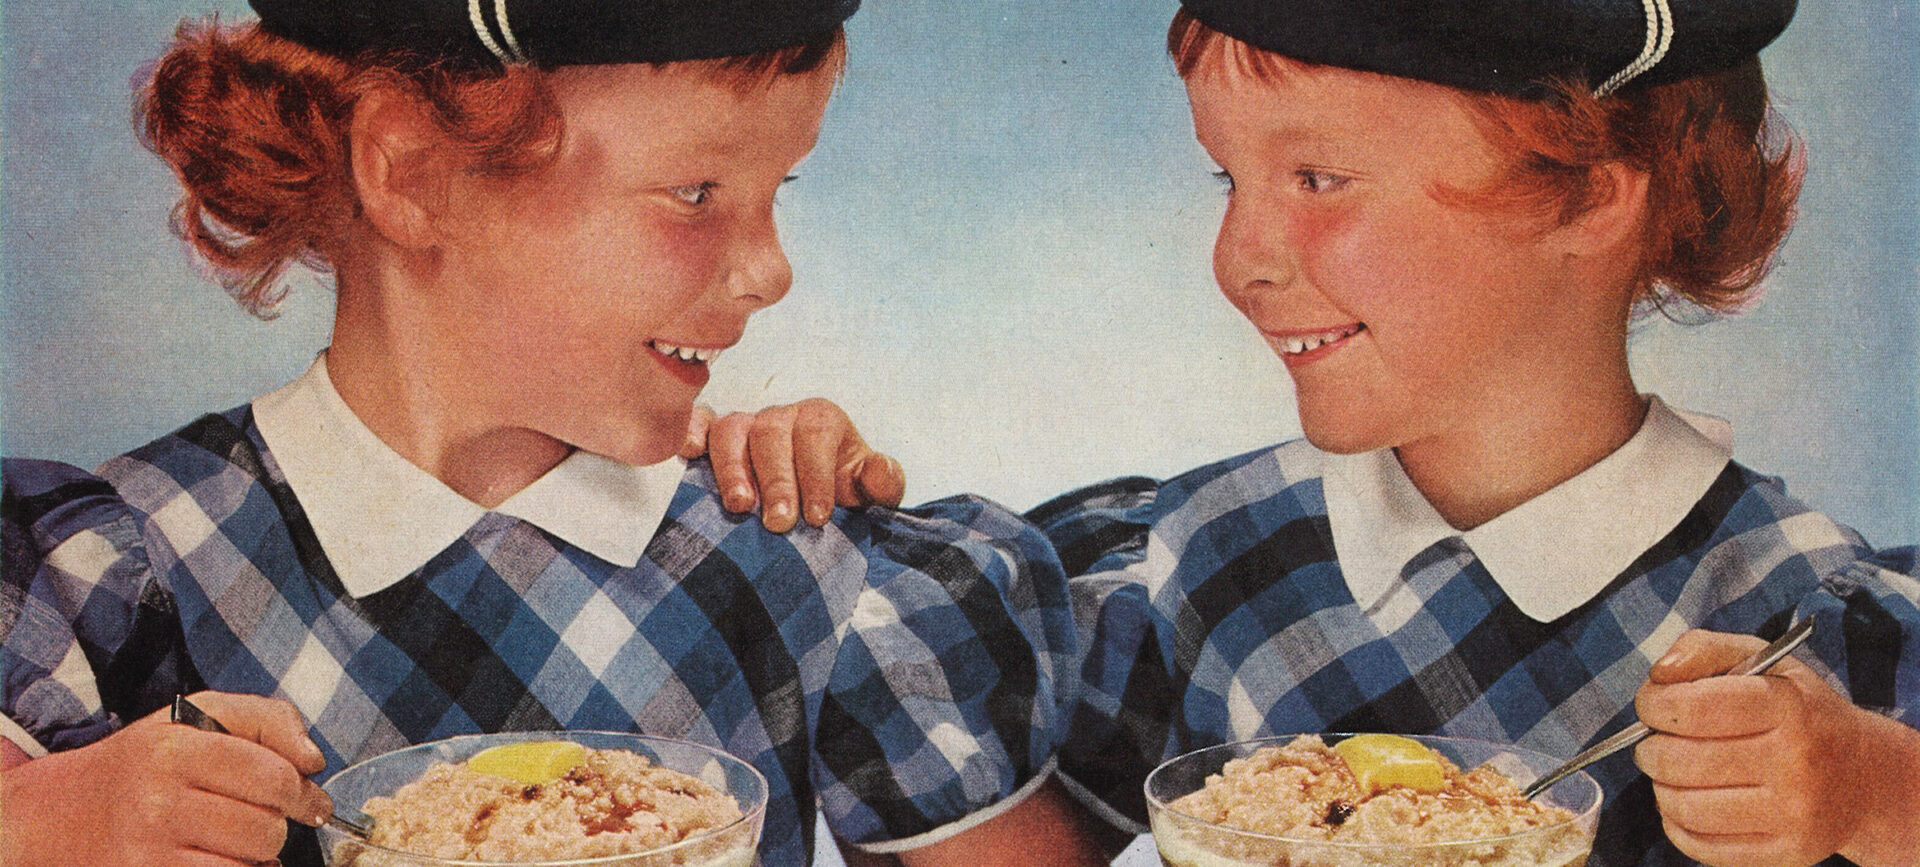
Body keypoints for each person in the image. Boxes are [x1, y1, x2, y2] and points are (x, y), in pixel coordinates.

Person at [727, 1, 1920, 864]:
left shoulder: (1799, 612)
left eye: (1317, 179)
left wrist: (1873, 790)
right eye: (1227, 182)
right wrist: (837, 530)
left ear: (1592, 193)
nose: (1241, 258)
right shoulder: (1219, 558)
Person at [0, 2, 1104, 865]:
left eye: (780, 191)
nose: (772, 271)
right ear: (410, 174)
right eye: (696, 193)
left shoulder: (787, 561)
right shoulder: (116, 567)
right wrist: (42, 824)